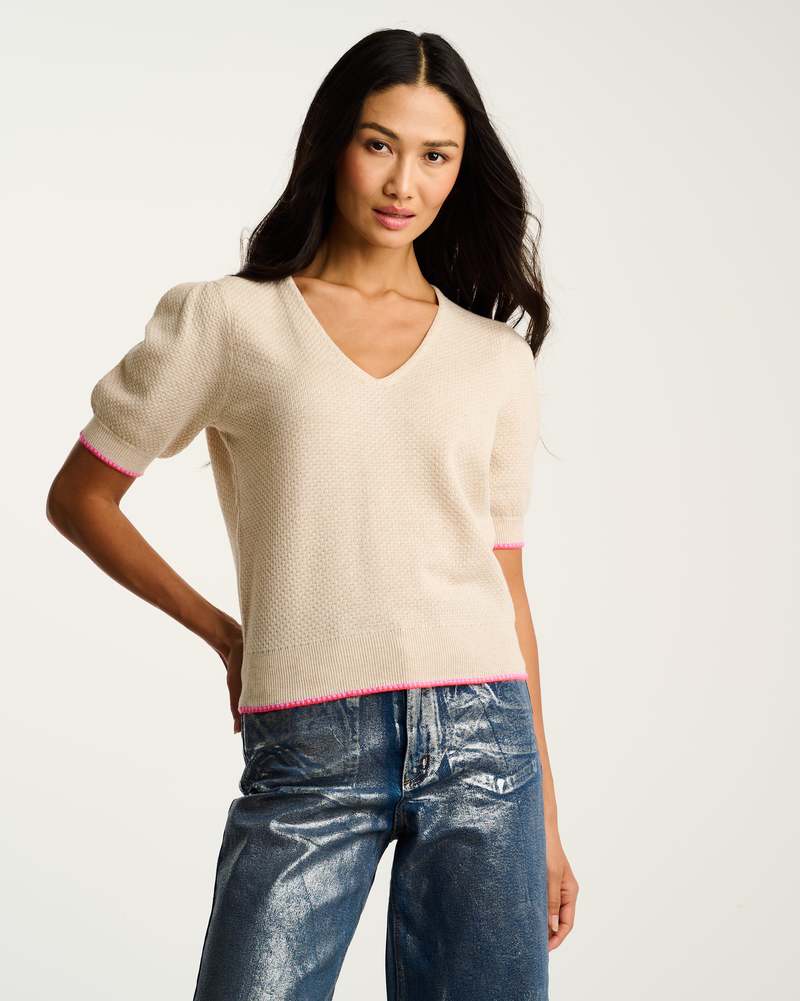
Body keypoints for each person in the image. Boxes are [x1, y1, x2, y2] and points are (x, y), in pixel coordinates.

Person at [46, 27, 578, 1001]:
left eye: (435, 155)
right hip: (307, 741)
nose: (403, 182)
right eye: (379, 144)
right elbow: (81, 496)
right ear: (334, 143)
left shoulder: (493, 359)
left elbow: (505, 579)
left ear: (461, 169)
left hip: (485, 743)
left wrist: (543, 813)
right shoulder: (228, 321)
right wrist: (225, 633)